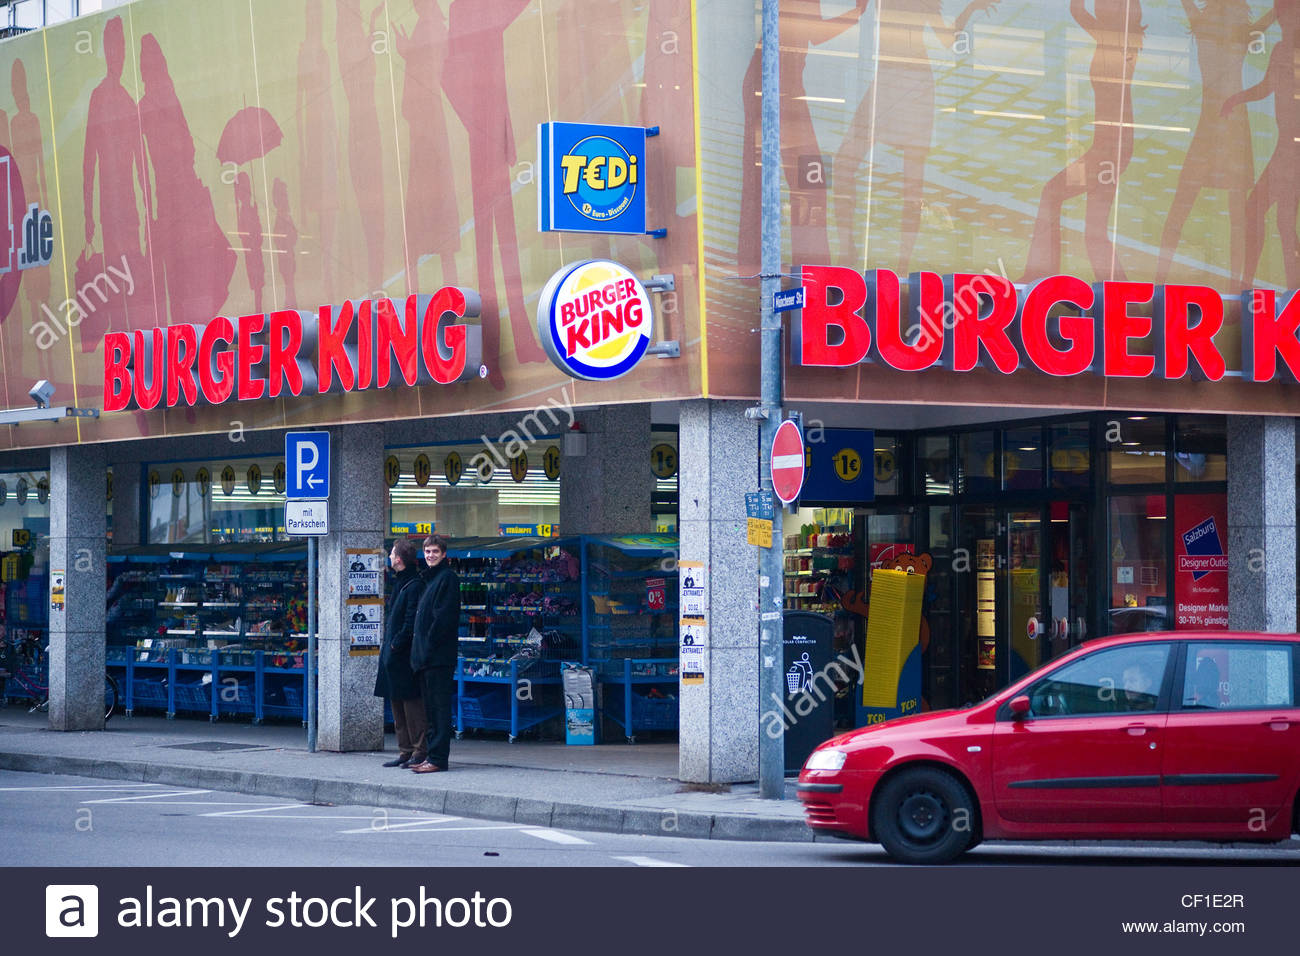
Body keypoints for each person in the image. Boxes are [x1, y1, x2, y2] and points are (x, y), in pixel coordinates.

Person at [409, 535, 460, 773]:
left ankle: (438, 758)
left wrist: (427, 648)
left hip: (438, 658)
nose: (430, 555)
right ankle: (431, 755)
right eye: (427, 551)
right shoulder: (429, 579)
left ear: (444, 554)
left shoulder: (447, 579)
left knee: (439, 710)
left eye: (435, 552)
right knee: (430, 709)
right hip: (426, 658)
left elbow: (443, 620)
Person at [374, 537, 426, 768]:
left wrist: (396, 644)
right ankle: (405, 750)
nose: (389, 557)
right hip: (394, 654)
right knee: (397, 703)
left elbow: (410, 620)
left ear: (399, 558)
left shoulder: (413, 584)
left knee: (411, 705)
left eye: (392, 553)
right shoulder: (402, 582)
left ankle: (418, 749)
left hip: (403, 655)